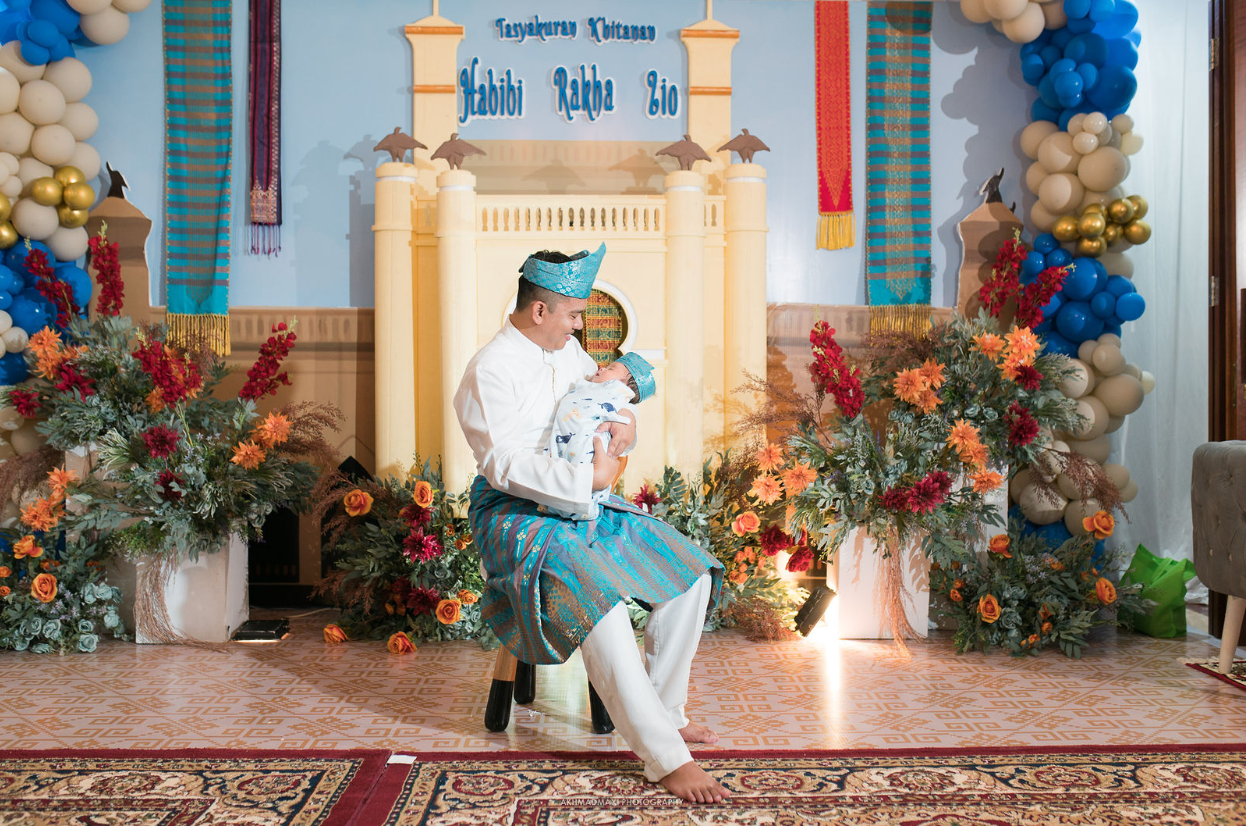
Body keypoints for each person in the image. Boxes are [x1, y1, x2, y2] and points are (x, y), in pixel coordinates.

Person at [453, 244, 729, 804]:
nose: (580, 325)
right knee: (596, 596)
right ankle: (664, 757)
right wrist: (589, 480)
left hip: (587, 502)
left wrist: (626, 422)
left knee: (691, 574)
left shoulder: (568, 351)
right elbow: (502, 464)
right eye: (574, 314)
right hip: (514, 514)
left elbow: (605, 399)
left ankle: (666, 712)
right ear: (540, 310)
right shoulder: (489, 369)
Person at [544, 351, 656, 521]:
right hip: (549, 469)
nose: (601, 368)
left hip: (591, 453)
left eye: (611, 368)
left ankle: (579, 499)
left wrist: (628, 416)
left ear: (621, 386)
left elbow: (624, 402)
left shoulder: (577, 355)